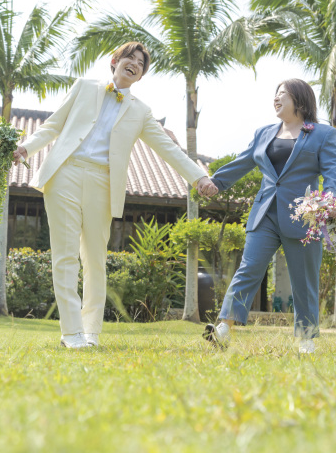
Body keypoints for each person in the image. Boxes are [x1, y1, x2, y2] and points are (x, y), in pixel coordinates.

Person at [13, 42, 218, 348]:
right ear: (115, 61)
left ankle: (91, 332)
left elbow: (167, 150)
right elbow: (52, 126)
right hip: (65, 173)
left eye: (140, 63)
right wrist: (25, 147)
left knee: (94, 260)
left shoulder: (141, 112)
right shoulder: (83, 87)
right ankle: (71, 334)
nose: (134, 63)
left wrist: (199, 176)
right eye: (129, 58)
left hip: (102, 182)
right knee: (65, 257)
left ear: (140, 76)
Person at [203, 79, 336, 354]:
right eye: (276, 94)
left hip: (305, 216)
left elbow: (333, 172)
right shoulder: (264, 133)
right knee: (249, 268)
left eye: (282, 94)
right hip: (265, 214)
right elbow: (243, 161)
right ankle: (224, 328)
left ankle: (306, 339)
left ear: (300, 99)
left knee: (304, 279)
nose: (276, 98)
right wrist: (215, 182)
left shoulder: (322, 134)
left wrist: (330, 202)